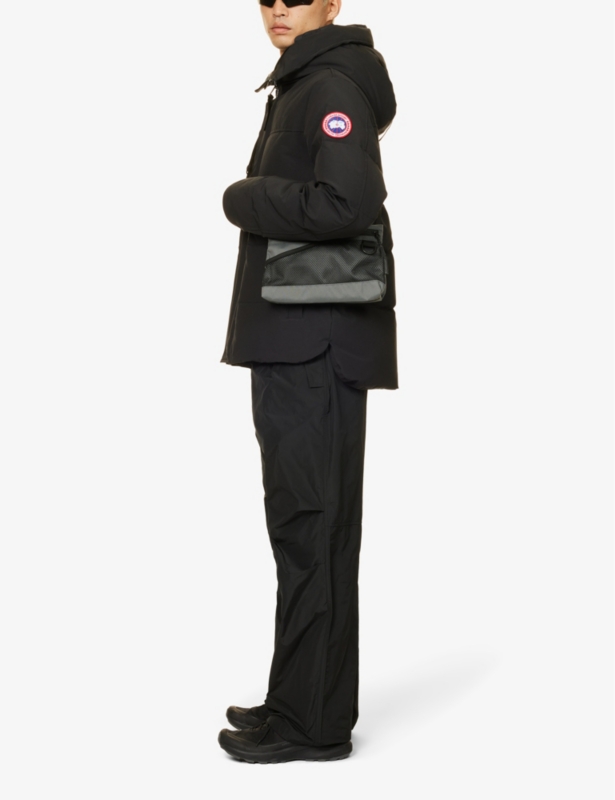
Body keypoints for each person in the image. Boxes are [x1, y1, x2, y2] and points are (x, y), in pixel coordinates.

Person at [217, 0, 398, 763]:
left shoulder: (328, 86)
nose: (277, 9)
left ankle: (311, 724)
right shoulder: (306, 81)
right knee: (304, 529)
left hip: (312, 344)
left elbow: (346, 202)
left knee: (312, 529)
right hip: (302, 338)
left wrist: (245, 196)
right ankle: (299, 699)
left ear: (331, 2)